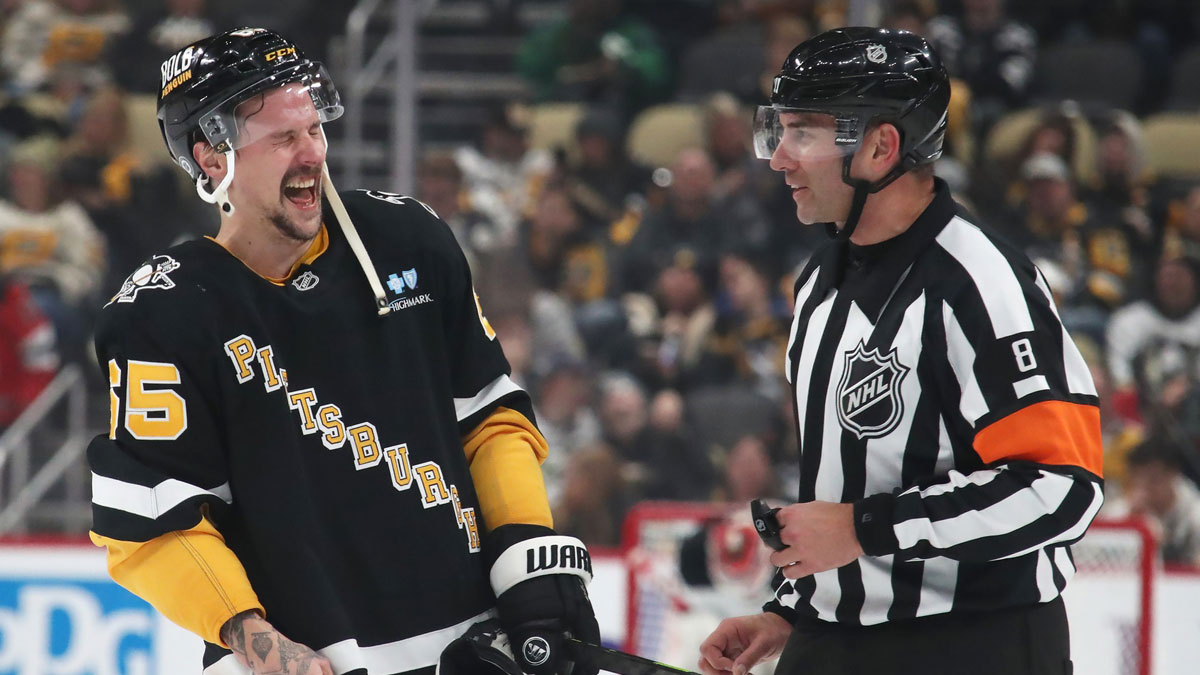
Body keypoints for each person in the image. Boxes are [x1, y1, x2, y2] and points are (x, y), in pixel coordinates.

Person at [85, 28, 598, 675]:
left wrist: (526, 547)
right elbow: (154, 527)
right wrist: (258, 641)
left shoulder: (406, 239)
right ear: (212, 158)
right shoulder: (161, 314)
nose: (311, 156)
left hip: (472, 645)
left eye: (314, 129)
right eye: (282, 138)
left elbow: (488, 416)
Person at [698, 28, 1103, 675]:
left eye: (803, 132)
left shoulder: (981, 283)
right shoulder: (816, 282)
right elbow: (845, 483)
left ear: (881, 147)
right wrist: (792, 609)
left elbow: (1061, 487)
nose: (780, 158)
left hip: (975, 644)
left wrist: (866, 528)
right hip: (835, 640)